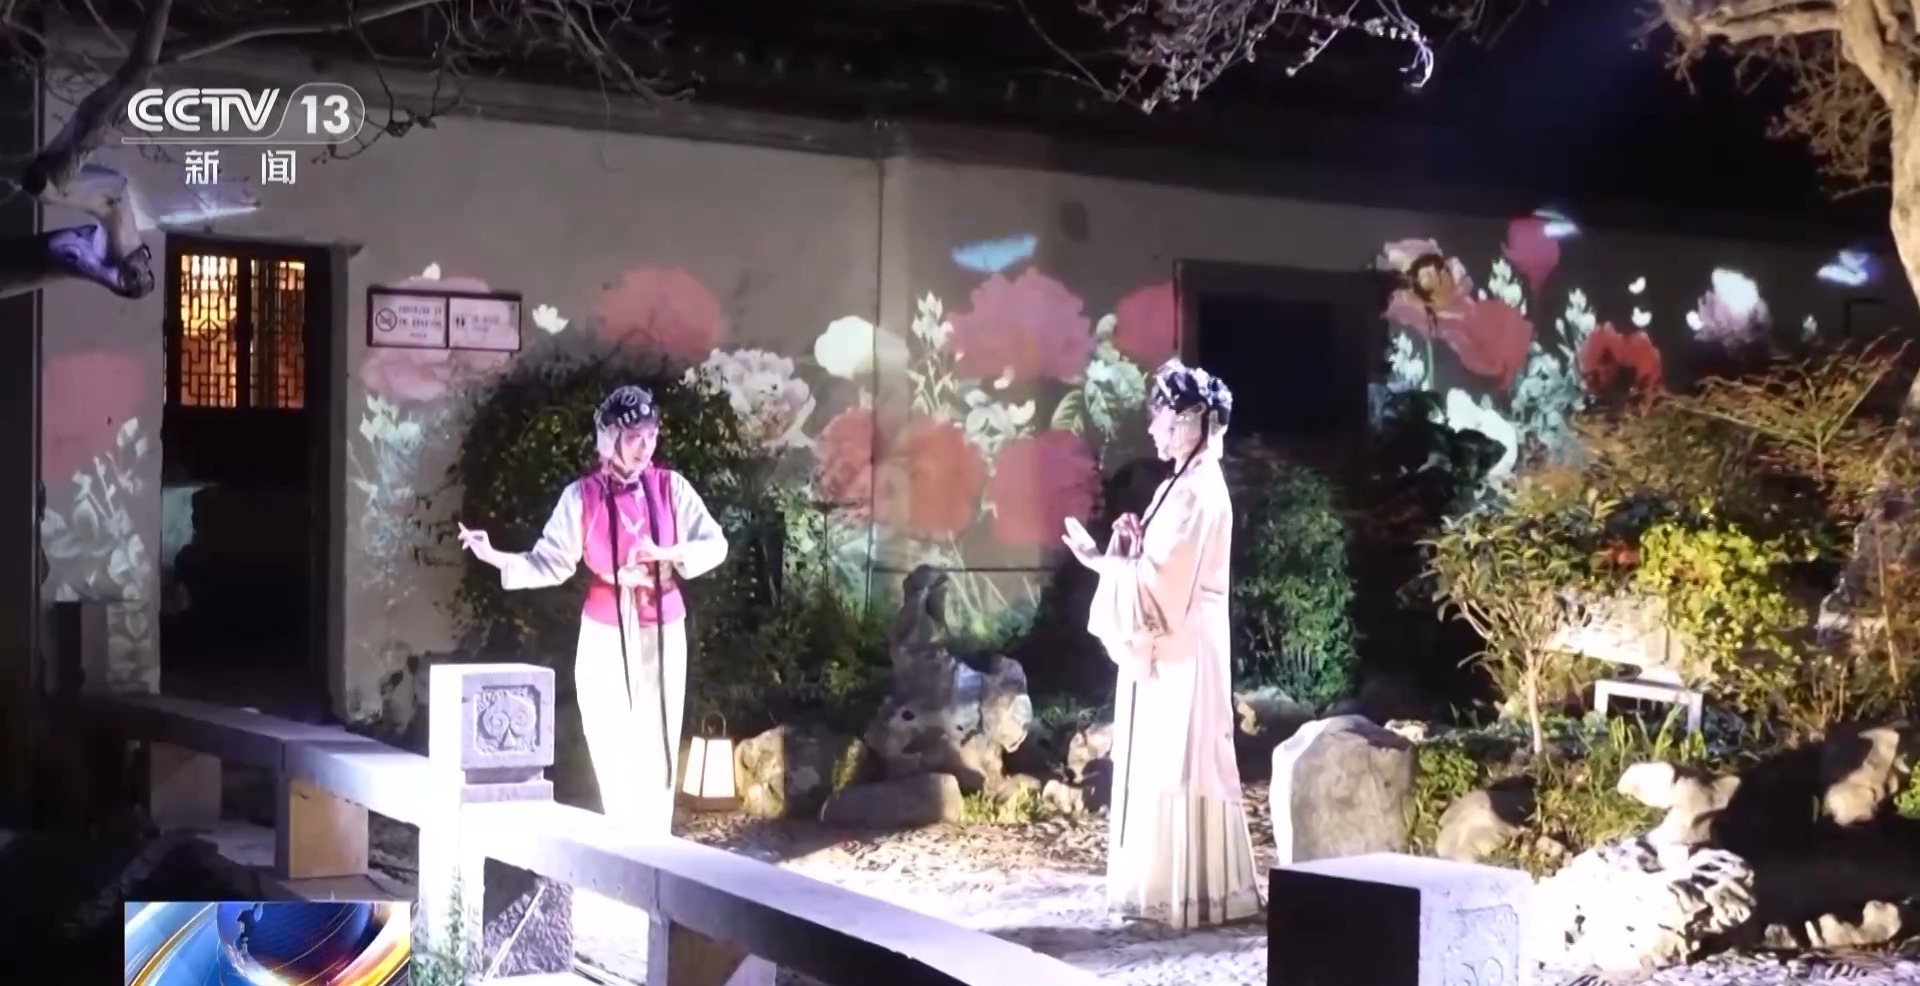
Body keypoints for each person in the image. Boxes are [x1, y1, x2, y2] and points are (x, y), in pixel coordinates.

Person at [458, 385, 729, 834]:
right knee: (609, 735)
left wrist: (670, 554)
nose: (644, 446)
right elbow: (552, 561)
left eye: (650, 435)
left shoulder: (671, 487)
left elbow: (714, 543)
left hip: (662, 623)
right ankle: (623, 836)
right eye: (633, 436)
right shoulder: (582, 496)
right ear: (609, 438)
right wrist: (497, 557)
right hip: (605, 625)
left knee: (658, 735)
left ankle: (654, 842)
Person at [1061, 359, 1262, 930]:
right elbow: (1156, 565)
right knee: (1165, 759)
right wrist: (1127, 545)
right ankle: (1170, 889)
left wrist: (1104, 561)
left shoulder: (1197, 491)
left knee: (1182, 760)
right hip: (1176, 643)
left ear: (1190, 421)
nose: (1152, 429)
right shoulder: (1183, 484)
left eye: (1159, 418)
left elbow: (1162, 585)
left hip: (1184, 649)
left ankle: (1188, 894)